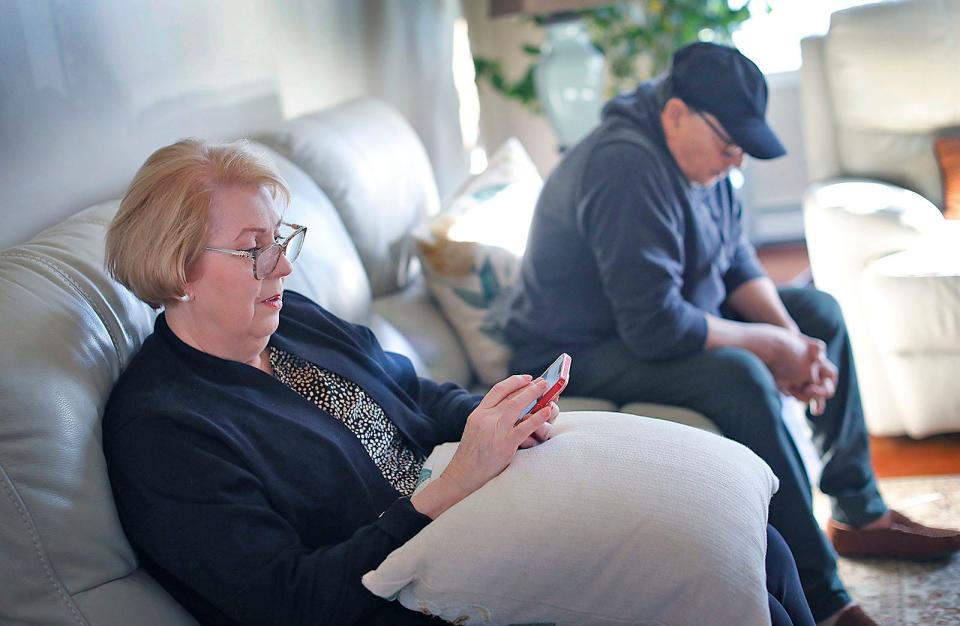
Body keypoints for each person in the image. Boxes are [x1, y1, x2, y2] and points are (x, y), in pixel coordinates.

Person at [102, 138, 815, 626]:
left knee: (754, 548)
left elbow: (415, 393)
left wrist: (500, 413)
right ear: (175, 269)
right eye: (254, 251)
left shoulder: (290, 325)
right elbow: (290, 601)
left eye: (281, 242)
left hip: (472, 514)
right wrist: (444, 492)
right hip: (412, 597)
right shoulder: (167, 429)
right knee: (710, 581)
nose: (282, 269)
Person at [504, 41, 960, 626]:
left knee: (820, 313)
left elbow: (736, 259)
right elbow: (656, 328)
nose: (737, 161)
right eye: (730, 145)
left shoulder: (702, 156)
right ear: (676, 115)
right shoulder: (624, 167)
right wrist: (771, 349)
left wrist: (796, 341)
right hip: (580, 351)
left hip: (658, 319)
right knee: (741, 374)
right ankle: (824, 601)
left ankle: (859, 514)